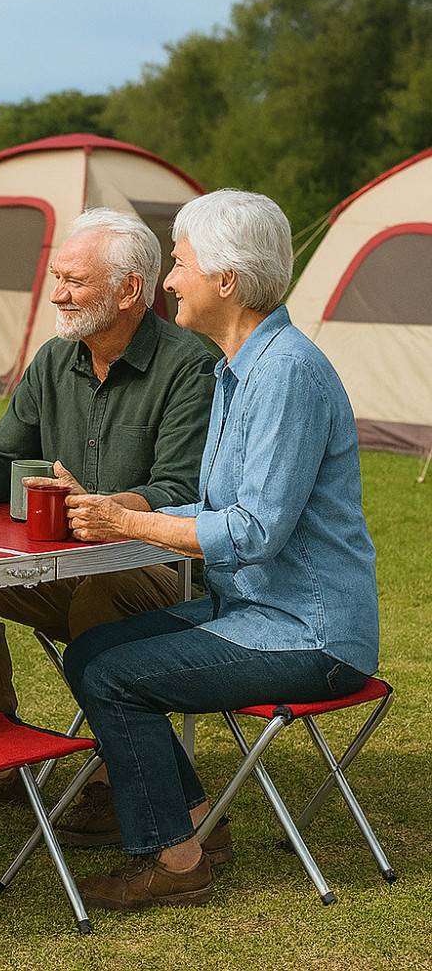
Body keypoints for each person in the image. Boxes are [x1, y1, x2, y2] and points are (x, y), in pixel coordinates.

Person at [61, 189, 380, 913]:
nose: (170, 280)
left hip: (311, 634)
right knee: (89, 654)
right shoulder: (236, 370)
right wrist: (116, 510)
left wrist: (131, 526)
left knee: (115, 676)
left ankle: (173, 864)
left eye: (178, 263)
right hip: (250, 612)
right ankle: (199, 822)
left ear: (225, 282)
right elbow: (214, 511)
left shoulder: (287, 373)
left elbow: (254, 530)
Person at [0, 207, 216, 814]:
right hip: (62, 570)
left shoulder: (188, 366)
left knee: (102, 591)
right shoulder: (53, 360)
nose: (58, 294)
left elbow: (179, 490)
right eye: (57, 276)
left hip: (165, 573)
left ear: (130, 292)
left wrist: (104, 510)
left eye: (74, 280)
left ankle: (112, 769)